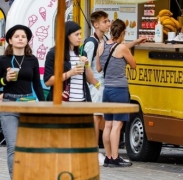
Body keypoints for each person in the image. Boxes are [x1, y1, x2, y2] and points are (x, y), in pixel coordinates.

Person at [0, 24, 45, 180]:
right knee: (13, 146)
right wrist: (4, 80)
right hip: (9, 104)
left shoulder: (32, 60)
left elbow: (37, 84)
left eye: (23, 37)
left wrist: (44, 104)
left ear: (27, 41)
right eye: (17, 36)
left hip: (29, 104)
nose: (20, 39)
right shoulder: (2, 60)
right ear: (10, 40)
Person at [96, 19, 138, 167]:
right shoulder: (122, 48)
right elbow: (133, 65)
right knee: (117, 125)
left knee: (107, 124)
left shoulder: (100, 46)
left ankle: (108, 156)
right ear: (122, 33)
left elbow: (99, 68)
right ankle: (115, 157)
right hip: (119, 90)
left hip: (106, 89)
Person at [43, 21, 99, 103]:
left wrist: (87, 65)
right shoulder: (54, 53)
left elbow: (90, 79)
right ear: (67, 35)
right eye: (76, 34)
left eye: (80, 34)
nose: (80, 37)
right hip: (63, 102)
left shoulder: (82, 53)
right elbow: (48, 81)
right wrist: (70, 73)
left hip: (82, 101)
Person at [83, 10, 111, 161]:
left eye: (108, 21)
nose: (108, 24)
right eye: (105, 21)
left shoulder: (104, 39)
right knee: (96, 117)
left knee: (99, 117)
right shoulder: (91, 42)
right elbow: (85, 65)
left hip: (101, 82)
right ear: (96, 25)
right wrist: (95, 83)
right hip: (95, 83)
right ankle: (93, 150)